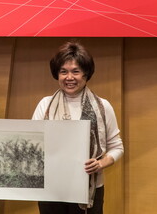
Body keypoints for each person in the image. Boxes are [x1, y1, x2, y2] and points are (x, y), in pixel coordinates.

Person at [32, 41, 123, 214]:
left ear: (86, 74)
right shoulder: (45, 105)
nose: (69, 77)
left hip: (90, 189)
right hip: (51, 189)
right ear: (57, 74)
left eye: (76, 71)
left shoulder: (103, 107)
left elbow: (117, 147)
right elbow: (34, 145)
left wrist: (100, 163)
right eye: (63, 71)